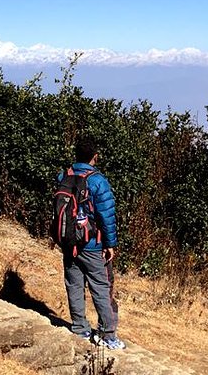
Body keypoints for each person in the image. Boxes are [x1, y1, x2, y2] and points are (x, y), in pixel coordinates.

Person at [58, 137, 126, 350]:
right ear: (95, 156)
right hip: (93, 245)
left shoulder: (64, 176)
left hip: (70, 242)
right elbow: (106, 216)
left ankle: (79, 327)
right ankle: (108, 335)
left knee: (74, 284)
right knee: (101, 288)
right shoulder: (98, 181)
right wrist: (110, 243)